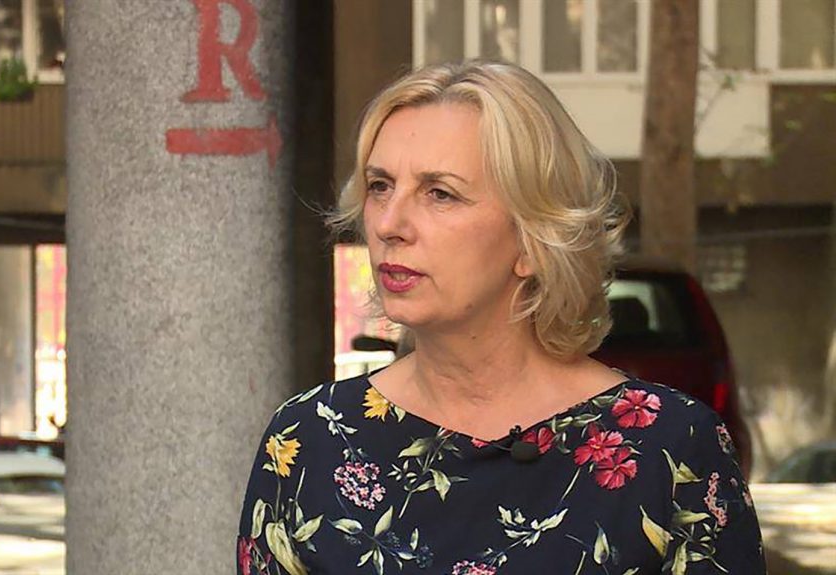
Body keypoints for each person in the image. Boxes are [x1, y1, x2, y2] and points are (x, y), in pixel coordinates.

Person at [236, 61, 766, 575]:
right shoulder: (308, 440)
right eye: (380, 186)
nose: (389, 224)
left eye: (440, 193)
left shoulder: (673, 451)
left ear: (535, 239)